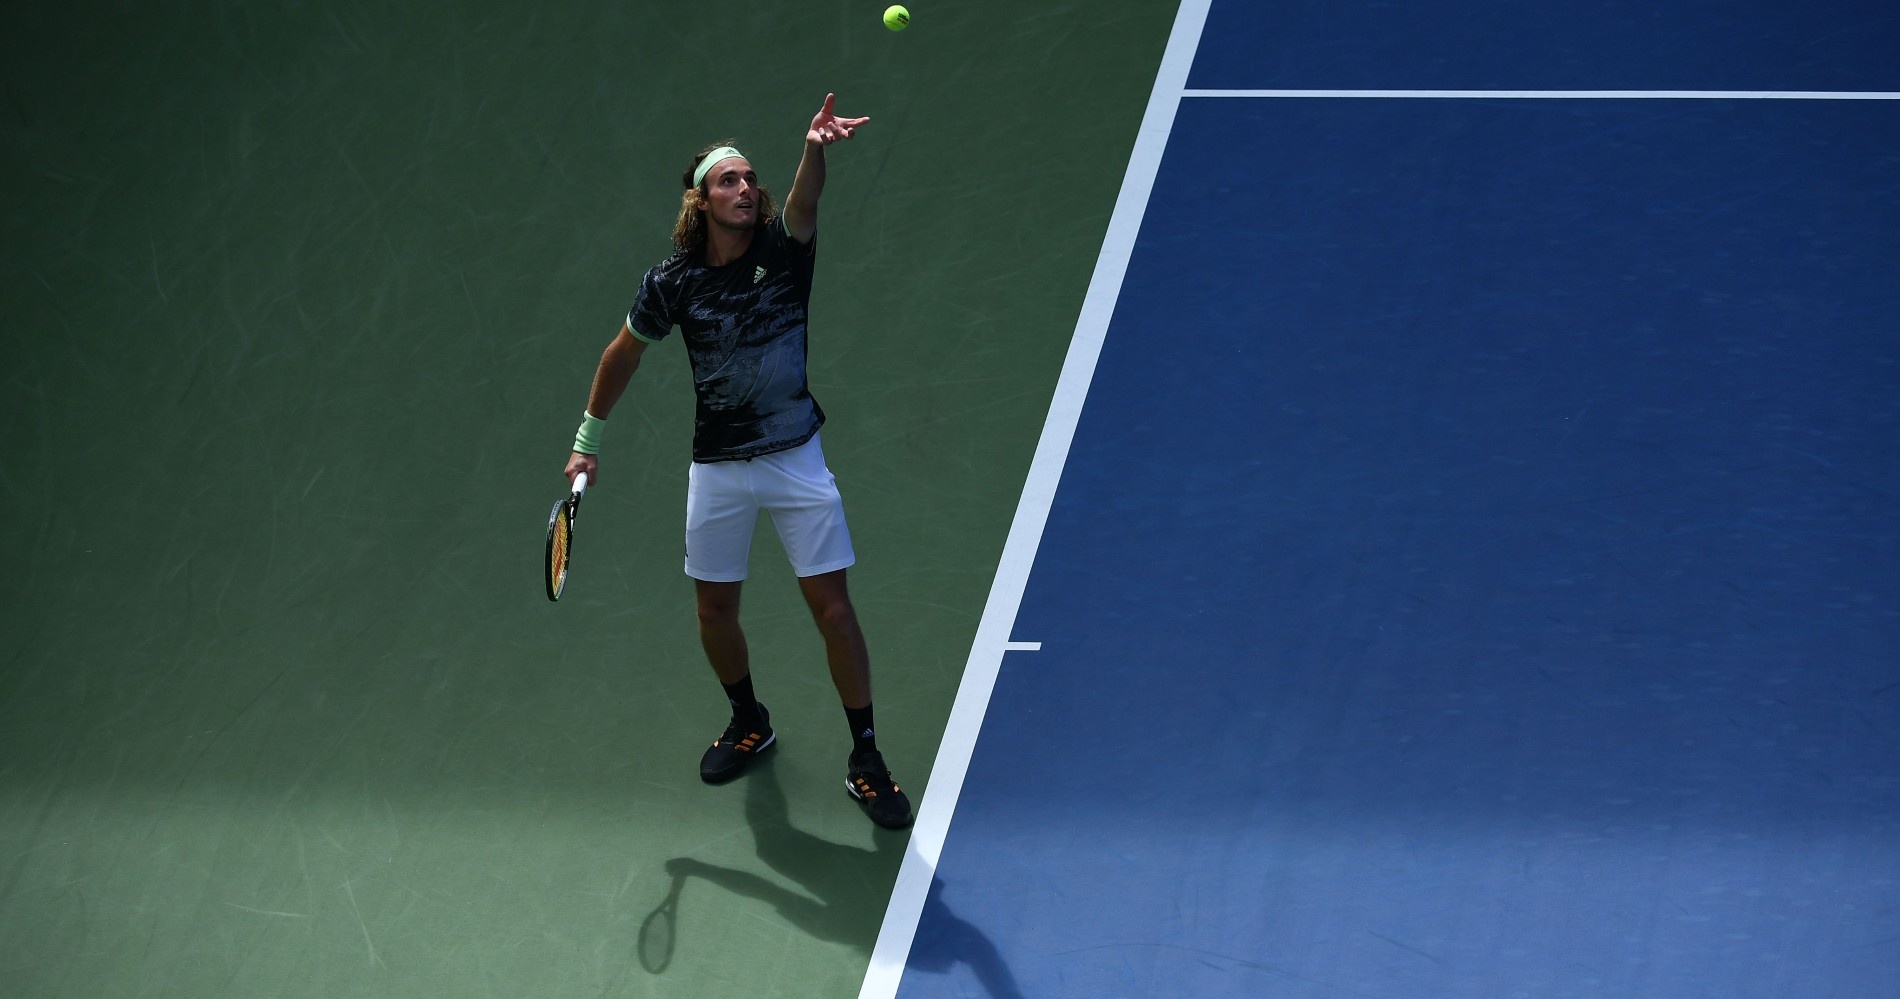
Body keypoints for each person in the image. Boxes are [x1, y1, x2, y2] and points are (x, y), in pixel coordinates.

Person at [563, 94, 912, 830]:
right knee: (714, 610)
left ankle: (867, 757)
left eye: (752, 178)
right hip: (718, 467)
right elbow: (621, 355)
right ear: (702, 199)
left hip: (795, 459)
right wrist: (586, 443)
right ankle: (749, 717)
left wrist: (814, 147)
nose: (747, 188)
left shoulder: (784, 252)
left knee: (834, 611)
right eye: (731, 180)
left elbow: (804, 199)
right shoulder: (672, 282)